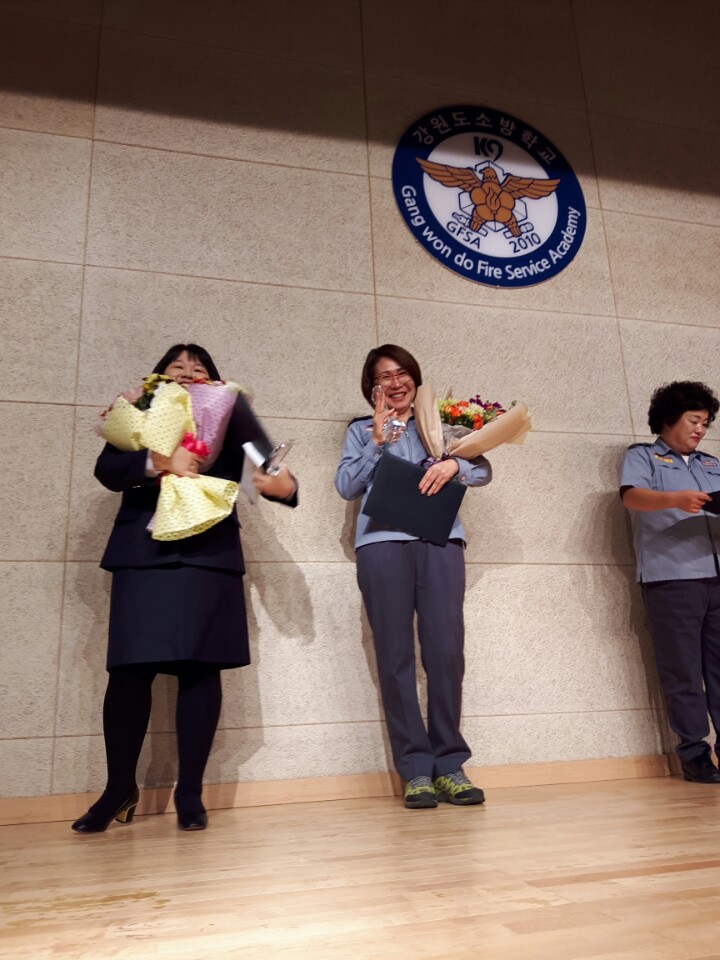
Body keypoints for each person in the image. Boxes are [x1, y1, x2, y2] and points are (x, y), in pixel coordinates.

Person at [72, 344, 297, 833]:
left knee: (200, 668)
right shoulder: (140, 409)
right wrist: (159, 460)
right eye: (177, 366)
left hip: (207, 550)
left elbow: (266, 470)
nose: (189, 372)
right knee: (129, 671)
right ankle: (118, 789)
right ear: (159, 377)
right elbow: (108, 471)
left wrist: (283, 485)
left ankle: (190, 791)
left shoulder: (229, 412)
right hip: (143, 549)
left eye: (199, 368)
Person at [335, 345, 491, 809]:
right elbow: (346, 486)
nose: (395, 382)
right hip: (381, 544)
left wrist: (454, 464)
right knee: (395, 656)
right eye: (384, 377)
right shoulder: (360, 430)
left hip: (440, 541)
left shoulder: (438, 424)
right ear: (372, 388)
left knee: (446, 652)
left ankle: (450, 764)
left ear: (415, 379)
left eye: (402, 373)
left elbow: (482, 469)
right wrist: (377, 442)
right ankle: (416, 770)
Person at [620, 380, 720, 783]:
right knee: (683, 670)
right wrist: (676, 499)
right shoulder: (643, 456)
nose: (700, 429)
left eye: (705, 423)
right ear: (669, 418)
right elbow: (631, 496)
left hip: (716, 577)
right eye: (694, 420)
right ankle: (694, 751)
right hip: (672, 578)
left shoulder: (711, 463)